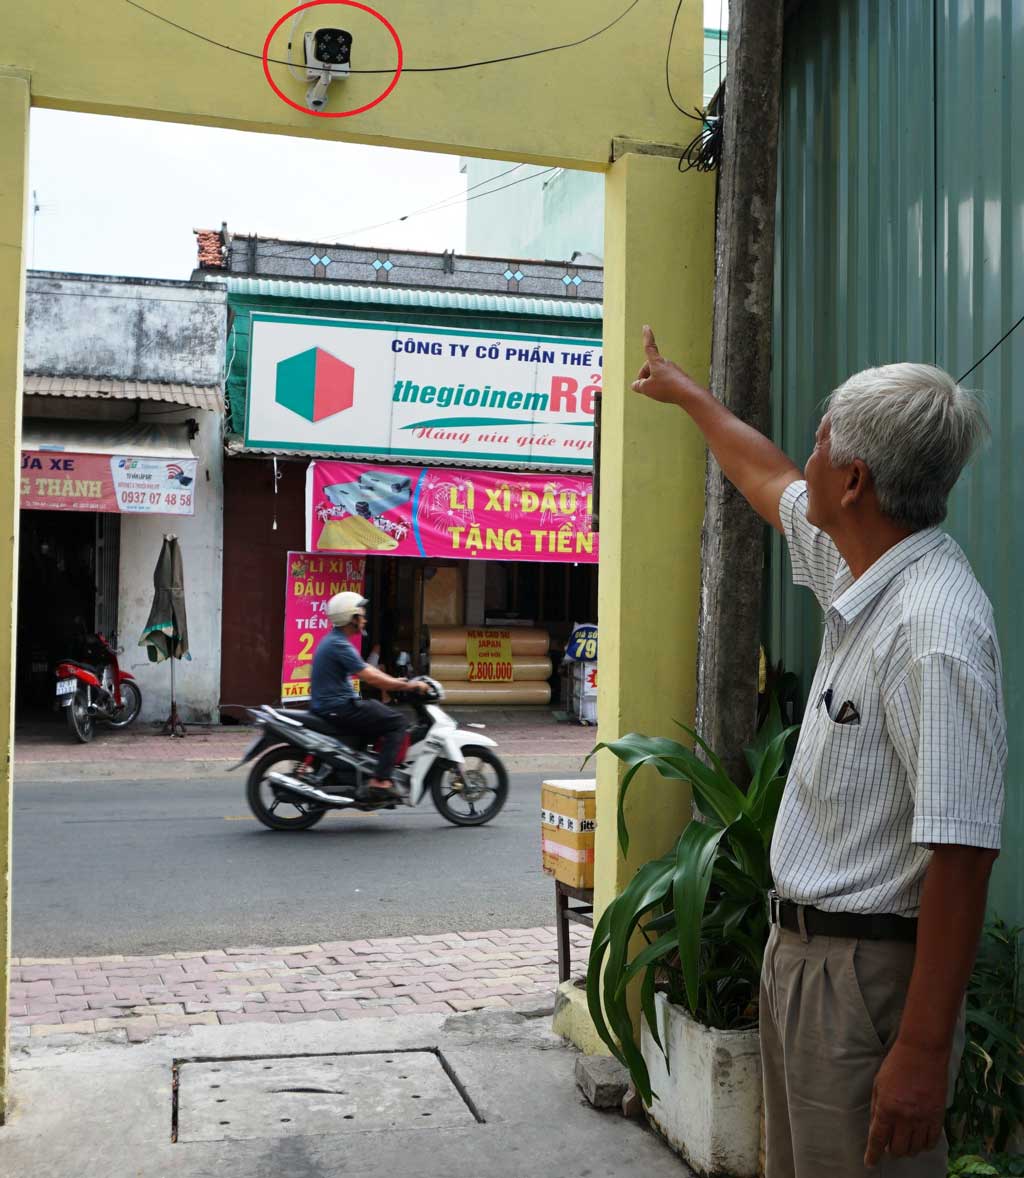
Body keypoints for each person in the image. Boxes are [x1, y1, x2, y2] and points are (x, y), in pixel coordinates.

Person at [632, 327, 1006, 1178]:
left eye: (822, 439)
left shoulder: (931, 629)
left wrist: (919, 1051)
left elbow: (964, 853)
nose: (808, 457)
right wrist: (690, 395)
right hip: (806, 963)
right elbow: (763, 476)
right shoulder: (860, 563)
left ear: (855, 480)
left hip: (867, 985)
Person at [310, 592, 428, 802]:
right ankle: (380, 780)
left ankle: (366, 769)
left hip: (334, 705)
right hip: (338, 707)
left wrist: (397, 681)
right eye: (361, 615)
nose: (364, 620)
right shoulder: (340, 645)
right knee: (397, 722)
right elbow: (371, 677)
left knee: (378, 714)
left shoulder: (336, 641)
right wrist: (407, 685)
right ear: (351, 618)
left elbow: (369, 670)